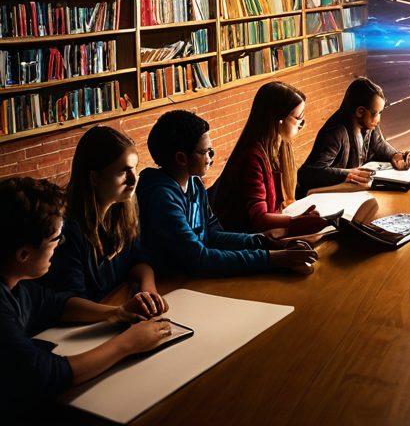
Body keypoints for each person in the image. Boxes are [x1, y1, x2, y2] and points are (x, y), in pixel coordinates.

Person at [1, 177, 174, 413]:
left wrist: (117, 312)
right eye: (55, 239)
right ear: (23, 254)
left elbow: (56, 304)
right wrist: (127, 344)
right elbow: (48, 374)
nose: (59, 244)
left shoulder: (16, 283)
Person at [136, 109, 318, 277]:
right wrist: (273, 258)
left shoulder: (194, 182)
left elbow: (212, 234)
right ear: (181, 158)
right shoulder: (161, 197)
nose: (211, 158)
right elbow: (198, 259)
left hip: (194, 274)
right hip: (173, 283)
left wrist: (266, 242)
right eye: (206, 152)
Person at [41, 126, 167, 314]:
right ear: (94, 177)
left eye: (134, 169)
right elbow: (67, 302)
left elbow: (138, 259)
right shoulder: (66, 229)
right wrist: (120, 313)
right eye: (124, 171)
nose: (133, 179)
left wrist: (148, 289)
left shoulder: (123, 210)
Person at [208, 82, 329, 234]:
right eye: (299, 118)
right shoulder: (252, 158)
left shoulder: (280, 146)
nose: (301, 125)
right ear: (278, 119)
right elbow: (259, 219)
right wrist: (296, 221)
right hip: (244, 238)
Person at [296, 76, 410, 197]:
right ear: (360, 111)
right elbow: (307, 174)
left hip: (355, 193)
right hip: (321, 200)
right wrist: (347, 174)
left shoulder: (368, 124)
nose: (378, 118)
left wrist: (394, 155)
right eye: (376, 113)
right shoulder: (335, 132)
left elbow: (379, 144)